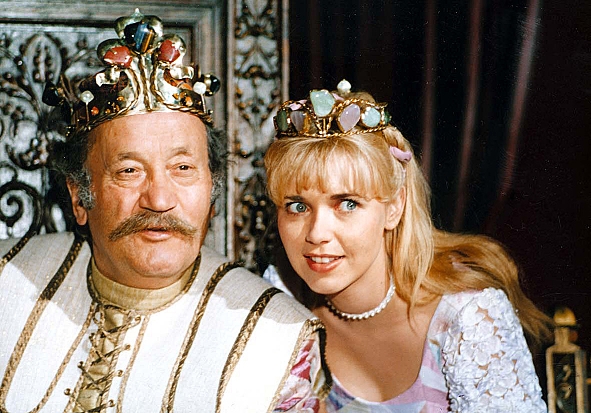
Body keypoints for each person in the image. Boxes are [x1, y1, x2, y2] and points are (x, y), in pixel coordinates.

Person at [0, 11, 330, 412]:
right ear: (79, 198)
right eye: (129, 171)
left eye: (183, 169)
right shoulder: (7, 281)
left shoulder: (277, 341)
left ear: (212, 192)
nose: (158, 200)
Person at [263, 79, 552, 412]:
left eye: (347, 204)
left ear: (394, 207)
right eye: (298, 206)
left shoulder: (466, 318)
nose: (316, 234)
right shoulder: (280, 305)